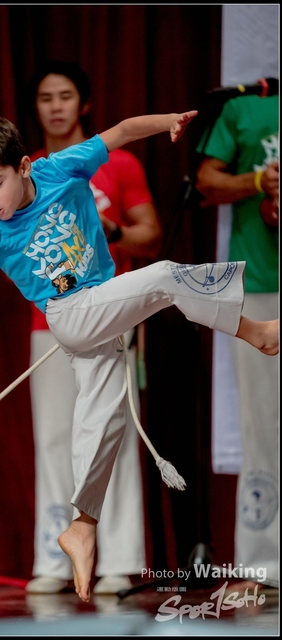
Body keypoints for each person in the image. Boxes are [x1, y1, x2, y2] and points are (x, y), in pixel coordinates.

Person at [0, 109, 279, 605]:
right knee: (165, 275)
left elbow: (120, 132)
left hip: (102, 312)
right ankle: (256, 331)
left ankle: (82, 526)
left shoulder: (59, 168)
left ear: (24, 166)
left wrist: (167, 120)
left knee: (103, 423)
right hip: (70, 315)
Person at [25, 60, 163, 596]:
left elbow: (149, 236)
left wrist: (110, 230)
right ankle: (53, 559)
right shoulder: (27, 172)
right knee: (56, 438)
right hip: (49, 322)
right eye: (44, 97)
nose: (55, 106)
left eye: (65, 96)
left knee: (111, 433)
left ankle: (119, 560)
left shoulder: (118, 164)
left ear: (83, 104)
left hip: (110, 314)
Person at [195, 91, 279, 589]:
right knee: (262, 424)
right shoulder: (245, 106)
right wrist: (256, 181)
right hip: (263, 284)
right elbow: (205, 182)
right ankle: (265, 564)